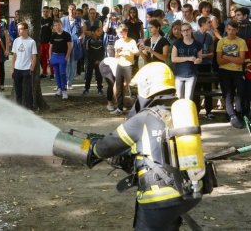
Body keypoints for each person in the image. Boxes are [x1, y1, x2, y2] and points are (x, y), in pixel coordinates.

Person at [86, 62, 202, 230]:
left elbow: (106, 147)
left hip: (159, 195)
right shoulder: (178, 112)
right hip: (188, 191)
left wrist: (94, 148)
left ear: (148, 87)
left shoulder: (144, 118)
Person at [216, 20, 247, 129]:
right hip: (224, 71)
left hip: (238, 71)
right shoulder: (221, 42)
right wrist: (234, 58)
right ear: (226, 30)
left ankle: (238, 113)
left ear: (237, 30)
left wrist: (227, 57)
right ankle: (232, 116)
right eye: (229, 29)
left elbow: (241, 60)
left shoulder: (241, 42)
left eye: (233, 29)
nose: (231, 32)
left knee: (241, 92)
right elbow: (219, 61)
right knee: (228, 94)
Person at [112, 24, 139, 116]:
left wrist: (128, 50)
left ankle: (135, 108)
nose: (120, 34)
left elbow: (137, 52)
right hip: (120, 65)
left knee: (131, 86)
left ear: (126, 32)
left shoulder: (132, 41)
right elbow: (115, 56)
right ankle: (119, 108)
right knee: (119, 87)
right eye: (119, 33)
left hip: (128, 65)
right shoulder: (117, 42)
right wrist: (118, 52)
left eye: (122, 32)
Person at [171, 22, 203, 100]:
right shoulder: (177, 43)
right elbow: (173, 59)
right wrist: (188, 58)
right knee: (178, 97)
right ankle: (179, 112)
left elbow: (200, 58)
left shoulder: (197, 44)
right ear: (181, 32)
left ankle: (187, 112)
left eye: (187, 30)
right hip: (179, 75)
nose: (186, 32)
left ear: (191, 30)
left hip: (191, 74)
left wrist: (198, 60)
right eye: (183, 31)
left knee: (188, 98)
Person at [193, 16, 215, 119]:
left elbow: (212, 53)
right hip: (196, 65)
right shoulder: (194, 35)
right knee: (196, 89)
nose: (210, 24)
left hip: (206, 65)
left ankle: (209, 111)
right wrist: (200, 56)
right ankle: (196, 111)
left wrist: (204, 56)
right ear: (202, 24)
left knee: (208, 89)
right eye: (208, 22)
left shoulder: (209, 37)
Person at [12, 22, 37, 110]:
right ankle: (19, 109)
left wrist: (32, 68)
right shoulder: (16, 41)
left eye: (21, 29)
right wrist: (13, 69)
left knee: (28, 91)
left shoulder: (32, 42)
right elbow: (14, 56)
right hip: (17, 69)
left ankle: (29, 108)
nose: (19, 31)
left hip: (27, 69)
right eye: (18, 29)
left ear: (26, 30)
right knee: (18, 91)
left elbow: (34, 57)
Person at [49, 18, 72, 100]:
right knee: (56, 74)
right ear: (54, 27)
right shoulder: (53, 35)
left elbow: (69, 47)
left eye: (59, 25)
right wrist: (50, 57)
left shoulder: (66, 35)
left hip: (62, 56)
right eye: (55, 25)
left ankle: (64, 90)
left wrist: (67, 57)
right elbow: (50, 47)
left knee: (62, 73)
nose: (57, 27)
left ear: (61, 25)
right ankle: (59, 88)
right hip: (54, 56)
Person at [62, 3, 82, 90]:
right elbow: (58, 30)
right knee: (66, 62)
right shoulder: (63, 20)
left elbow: (82, 31)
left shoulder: (80, 20)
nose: (72, 11)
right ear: (68, 10)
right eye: (70, 9)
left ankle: (70, 82)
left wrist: (81, 36)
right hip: (65, 44)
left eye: (74, 9)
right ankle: (65, 81)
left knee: (73, 63)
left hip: (75, 44)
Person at [83, 25, 104, 96]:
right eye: (98, 31)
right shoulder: (88, 41)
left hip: (99, 62)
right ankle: (86, 89)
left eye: (100, 31)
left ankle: (100, 89)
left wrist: (99, 60)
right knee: (88, 75)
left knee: (99, 75)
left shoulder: (101, 41)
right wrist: (93, 60)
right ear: (92, 32)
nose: (100, 32)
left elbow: (102, 52)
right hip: (90, 62)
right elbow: (87, 53)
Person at [40, 6, 54, 79]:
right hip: (41, 43)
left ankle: (52, 73)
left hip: (48, 43)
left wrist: (50, 41)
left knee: (50, 58)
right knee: (43, 59)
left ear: (49, 12)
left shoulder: (51, 20)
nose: (45, 13)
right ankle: (44, 73)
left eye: (46, 11)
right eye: (44, 11)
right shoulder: (40, 20)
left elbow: (53, 32)